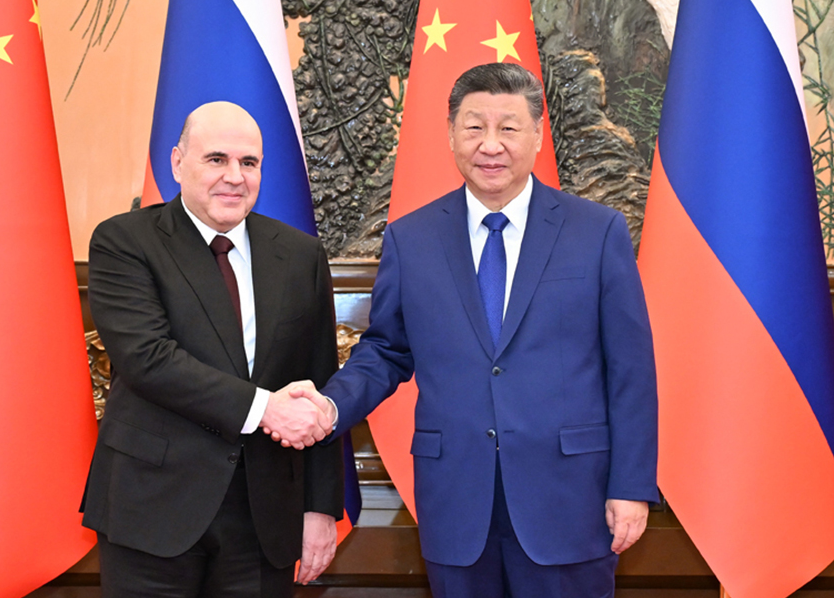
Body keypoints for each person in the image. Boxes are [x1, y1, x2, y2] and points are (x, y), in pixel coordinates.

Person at [279, 63, 658, 597]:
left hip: (570, 499)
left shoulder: (597, 232)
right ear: (451, 134)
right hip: (456, 502)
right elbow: (386, 350)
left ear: (537, 135)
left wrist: (631, 486)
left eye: (509, 128)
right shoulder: (412, 239)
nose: (490, 144)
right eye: (474, 127)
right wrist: (329, 406)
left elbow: (631, 370)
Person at [81, 101, 343, 598]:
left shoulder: (300, 255)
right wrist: (265, 408)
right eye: (216, 159)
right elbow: (148, 359)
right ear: (178, 163)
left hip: (264, 519)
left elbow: (319, 382)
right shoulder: (124, 242)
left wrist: (320, 507)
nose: (234, 177)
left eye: (249, 162)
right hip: (152, 509)